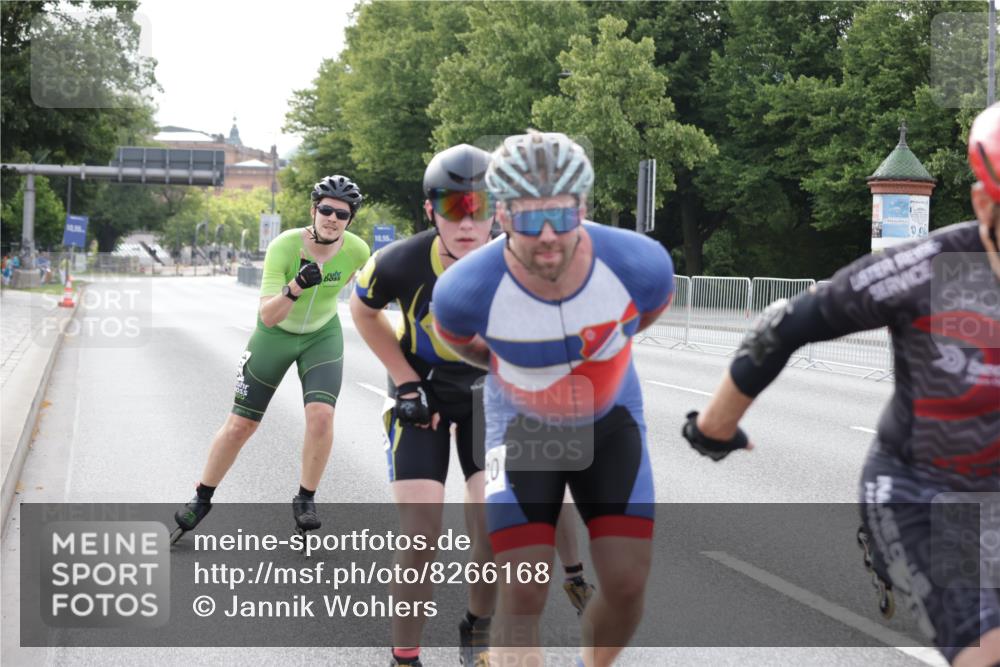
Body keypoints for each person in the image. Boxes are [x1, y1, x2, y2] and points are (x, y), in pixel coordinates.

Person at [683, 104, 1000, 667]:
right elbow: (783, 325)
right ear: (984, 205)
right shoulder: (933, 270)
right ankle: (891, 545)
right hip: (931, 489)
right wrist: (715, 427)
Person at [431, 131, 674, 666]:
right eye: (525, 217)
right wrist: (523, 375)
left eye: (562, 217)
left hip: (610, 420)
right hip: (518, 425)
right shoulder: (464, 290)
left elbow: (646, 314)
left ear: (584, 208)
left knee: (628, 583)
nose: (546, 236)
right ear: (500, 213)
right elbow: (468, 346)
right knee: (523, 591)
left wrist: (591, 366)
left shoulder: (640, 264)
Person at [350, 144, 594, 667]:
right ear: (429, 210)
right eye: (452, 206)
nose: (467, 221)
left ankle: (476, 625)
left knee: (489, 521)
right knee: (421, 533)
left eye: (479, 206)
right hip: (427, 394)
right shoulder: (398, 262)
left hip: (490, 396)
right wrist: (405, 380)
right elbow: (362, 310)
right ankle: (405, 657)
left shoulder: (524, 260)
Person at [171, 175, 370, 542]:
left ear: (350, 220)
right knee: (240, 425)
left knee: (322, 418)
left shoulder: (358, 250)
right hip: (275, 335)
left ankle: (305, 499)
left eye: (341, 214)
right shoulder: (284, 246)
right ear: (313, 210)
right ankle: (202, 497)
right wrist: (295, 287)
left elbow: (353, 285)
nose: (331, 218)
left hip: (322, 336)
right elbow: (268, 316)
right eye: (325, 210)